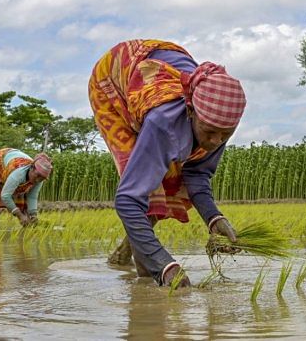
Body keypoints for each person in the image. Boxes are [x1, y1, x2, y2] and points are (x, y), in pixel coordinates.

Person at [88, 39, 246, 287]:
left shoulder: (218, 120)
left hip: (161, 63)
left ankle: (125, 255)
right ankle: (148, 271)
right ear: (192, 111)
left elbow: (196, 173)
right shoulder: (164, 121)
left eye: (225, 135)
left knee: (170, 180)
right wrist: (166, 267)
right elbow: (128, 199)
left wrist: (214, 218)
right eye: (210, 132)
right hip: (113, 80)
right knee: (148, 186)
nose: (216, 141)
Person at [0, 148, 52, 226]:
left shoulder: (40, 178)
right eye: (37, 176)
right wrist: (19, 215)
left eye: (42, 178)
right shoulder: (18, 174)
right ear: (32, 168)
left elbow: (32, 197)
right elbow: (5, 196)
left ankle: (27, 230)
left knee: (24, 201)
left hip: (12, 162)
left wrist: (33, 215)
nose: (38, 180)